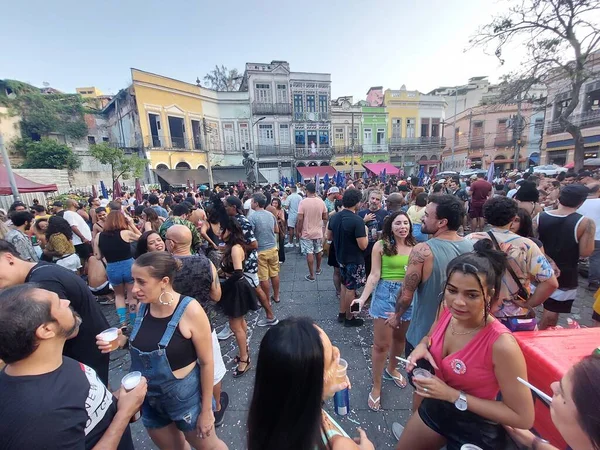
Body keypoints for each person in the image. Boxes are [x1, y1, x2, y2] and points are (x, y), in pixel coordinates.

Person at [394, 239, 535, 449]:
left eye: (472, 295)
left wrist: (452, 395)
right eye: (452, 290)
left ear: (490, 295)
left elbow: (523, 417)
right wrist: (422, 347)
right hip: (436, 408)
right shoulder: (446, 309)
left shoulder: (502, 344)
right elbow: (430, 336)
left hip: (475, 425)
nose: (458, 302)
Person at [97, 252, 228, 450]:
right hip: (149, 400)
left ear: (164, 281)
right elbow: (144, 342)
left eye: (141, 282)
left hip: (186, 401)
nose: (134, 288)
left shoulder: (190, 310)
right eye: (133, 281)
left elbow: (208, 362)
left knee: (210, 447)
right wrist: (120, 341)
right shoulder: (143, 307)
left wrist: (207, 411)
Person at [0, 284, 146, 450]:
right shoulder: (38, 416)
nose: (66, 301)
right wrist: (124, 413)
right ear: (46, 330)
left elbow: (80, 412)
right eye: (57, 303)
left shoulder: (51, 361)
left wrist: (116, 401)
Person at [389, 195, 473, 411]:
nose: (421, 220)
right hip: (461, 340)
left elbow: (407, 295)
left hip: (424, 337)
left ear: (442, 222)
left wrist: (397, 315)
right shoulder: (471, 246)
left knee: (422, 389)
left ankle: (417, 434)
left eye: (427, 216)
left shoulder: (422, 251)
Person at [247, 317, 374, 450]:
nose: (337, 353)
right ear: (314, 383)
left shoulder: (264, 420)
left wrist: (322, 393)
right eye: (332, 358)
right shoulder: (340, 446)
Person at [0, 240, 110, 385]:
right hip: (91, 348)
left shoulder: (42, 283)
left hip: (82, 355)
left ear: (8, 258)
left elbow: (65, 327)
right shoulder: (42, 270)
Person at [352, 211, 416, 411]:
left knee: (400, 340)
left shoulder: (417, 248)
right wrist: (362, 299)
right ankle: (377, 385)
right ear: (391, 226)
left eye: (406, 223)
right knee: (381, 345)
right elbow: (374, 275)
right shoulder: (381, 246)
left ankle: (392, 368)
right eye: (398, 223)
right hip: (385, 295)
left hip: (408, 297)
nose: (403, 227)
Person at [166, 225, 229, 427]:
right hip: (203, 324)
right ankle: (216, 407)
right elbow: (217, 295)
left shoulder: (163, 266)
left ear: (171, 243)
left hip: (173, 328)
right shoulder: (205, 263)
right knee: (213, 368)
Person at [465, 197, 558, 329]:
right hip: (513, 315)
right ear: (513, 217)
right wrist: (529, 303)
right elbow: (551, 282)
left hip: (477, 310)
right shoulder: (527, 245)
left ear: (486, 217)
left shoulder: (470, 240)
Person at [537, 184, 597, 329]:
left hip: (538, 267)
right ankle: (541, 339)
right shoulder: (586, 223)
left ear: (560, 198)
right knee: (552, 312)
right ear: (581, 202)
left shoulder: (540, 217)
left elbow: (531, 243)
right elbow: (585, 252)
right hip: (566, 271)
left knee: (530, 303)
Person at [224, 195, 278, 330]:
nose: (224, 209)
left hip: (248, 262)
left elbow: (254, 244)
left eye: (226, 206)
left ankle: (270, 316)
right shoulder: (240, 219)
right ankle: (235, 322)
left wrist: (235, 248)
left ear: (234, 207)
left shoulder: (244, 221)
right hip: (255, 255)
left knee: (258, 286)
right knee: (249, 288)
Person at [219, 217, 260, 377]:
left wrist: (223, 287)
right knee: (240, 323)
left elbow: (237, 273)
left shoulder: (235, 248)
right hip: (236, 287)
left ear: (231, 231)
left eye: (223, 229)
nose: (219, 232)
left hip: (236, 288)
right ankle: (245, 352)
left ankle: (245, 358)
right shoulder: (233, 246)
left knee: (235, 326)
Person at [327, 188, 368, 327]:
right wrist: (367, 234)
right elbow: (363, 245)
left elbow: (328, 236)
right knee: (352, 290)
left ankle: (342, 313)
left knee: (345, 286)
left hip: (341, 258)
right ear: (357, 203)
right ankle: (351, 317)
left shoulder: (334, 217)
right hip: (354, 260)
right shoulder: (357, 220)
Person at [95, 211, 141, 326]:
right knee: (131, 295)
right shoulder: (125, 233)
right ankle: (134, 320)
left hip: (112, 267)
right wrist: (131, 224)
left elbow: (98, 256)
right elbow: (141, 238)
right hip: (128, 266)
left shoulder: (99, 236)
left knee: (119, 295)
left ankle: (122, 322)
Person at [249, 193, 281, 304]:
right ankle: (276, 296)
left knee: (264, 277)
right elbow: (276, 230)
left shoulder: (252, 217)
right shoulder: (270, 214)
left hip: (261, 250)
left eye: (252, 201)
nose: (251, 203)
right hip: (273, 248)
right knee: (274, 273)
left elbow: (250, 234)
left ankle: (267, 300)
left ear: (256, 203)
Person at [297, 182, 328, 282]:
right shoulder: (321, 202)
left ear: (306, 191)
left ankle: (311, 275)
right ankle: (318, 269)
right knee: (318, 250)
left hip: (306, 232)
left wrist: (299, 230)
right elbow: (325, 217)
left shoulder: (303, 202)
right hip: (318, 231)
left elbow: (300, 219)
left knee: (309, 252)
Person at [358, 189, 389, 277]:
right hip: (365, 248)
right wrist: (364, 221)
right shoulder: (361, 213)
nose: (374, 201)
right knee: (366, 272)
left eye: (377, 199)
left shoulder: (384, 213)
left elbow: (388, 230)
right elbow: (356, 230)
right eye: (373, 198)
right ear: (368, 199)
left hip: (380, 247)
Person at [577, 185, 600, 291]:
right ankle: (594, 281)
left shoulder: (581, 203)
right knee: (595, 259)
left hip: (581, 234)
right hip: (597, 236)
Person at [63, 199, 93, 264]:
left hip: (82, 241)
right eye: (76, 202)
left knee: (87, 258)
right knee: (84, 259)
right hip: (79, 242)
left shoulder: (73, 213)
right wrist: (83, 238)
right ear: (73, 204)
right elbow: (73, 227)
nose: (78, 203)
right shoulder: (69, 214)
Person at [271, 197, 287, 263]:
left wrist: (279, 217)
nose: (274, 204)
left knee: (280, 242)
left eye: (276, 203)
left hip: (280, 227)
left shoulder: (281, 210)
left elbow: (283, 220)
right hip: (273, 227)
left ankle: (281, 257)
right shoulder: (270, 210)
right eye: (273, 203)